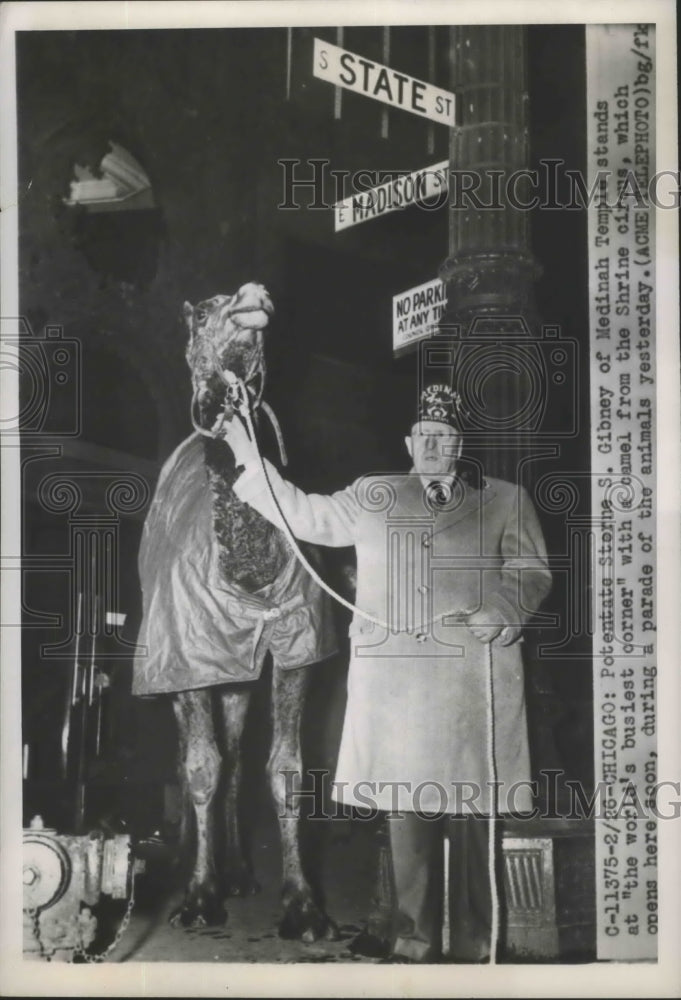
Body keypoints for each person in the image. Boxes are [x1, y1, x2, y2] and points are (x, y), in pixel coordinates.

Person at [224, 384, 552, 963]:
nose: (433, 445)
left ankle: (477, 948)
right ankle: (413, 947)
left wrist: (502, 610)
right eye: (424, 436)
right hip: (400, 689)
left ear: (459, 445)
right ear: (409, 442)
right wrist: (249, 457)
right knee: (409, 819)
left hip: (475, 682)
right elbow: (304, 511)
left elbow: (531, 570)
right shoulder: (372, 495)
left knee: (474, 820)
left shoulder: (504, 498)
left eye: (445, 437)